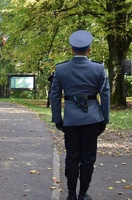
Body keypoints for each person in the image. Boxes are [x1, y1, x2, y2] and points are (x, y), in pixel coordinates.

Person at [50, 30, 110, 200]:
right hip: (92, 118)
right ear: (89, 49)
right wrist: (104, 118)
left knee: (72, 156)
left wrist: (57, 118)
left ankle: (70, 194)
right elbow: (105, 95)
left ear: (72, 49)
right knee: (88, 157)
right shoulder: (99, 68)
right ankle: (83, 193)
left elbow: (54, 95)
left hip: (71, 119)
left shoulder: (61, 69)